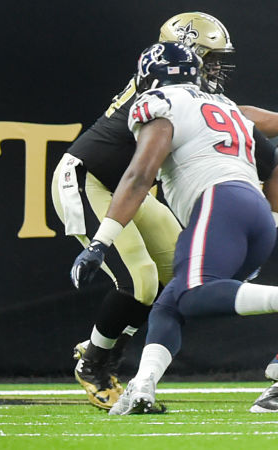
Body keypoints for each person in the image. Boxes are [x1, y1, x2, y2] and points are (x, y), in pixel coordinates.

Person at [70, 42, 278, 415]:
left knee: (192, 295)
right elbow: (273, 162)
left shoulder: (161, 102)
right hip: (255, 215)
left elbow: (138, 177)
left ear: (149, 79)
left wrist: (100, 241)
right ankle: (142, 387)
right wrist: (273, 220)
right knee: (169, 305)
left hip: (220, 205)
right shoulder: (227, 107)